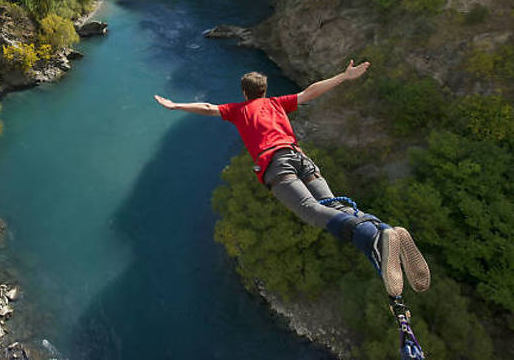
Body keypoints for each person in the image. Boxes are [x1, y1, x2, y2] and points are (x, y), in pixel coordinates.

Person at [154, 60, 430, 297]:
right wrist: (344, 77)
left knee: (311, 211)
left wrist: (175, 105)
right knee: (334, 205)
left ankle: (373, 239)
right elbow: (310, 92)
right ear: (265, 90)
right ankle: (382, 229)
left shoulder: (239, 110)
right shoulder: (276, 103)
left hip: (276, 164)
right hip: (301, 158)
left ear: (244, 93)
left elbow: (208, 106)